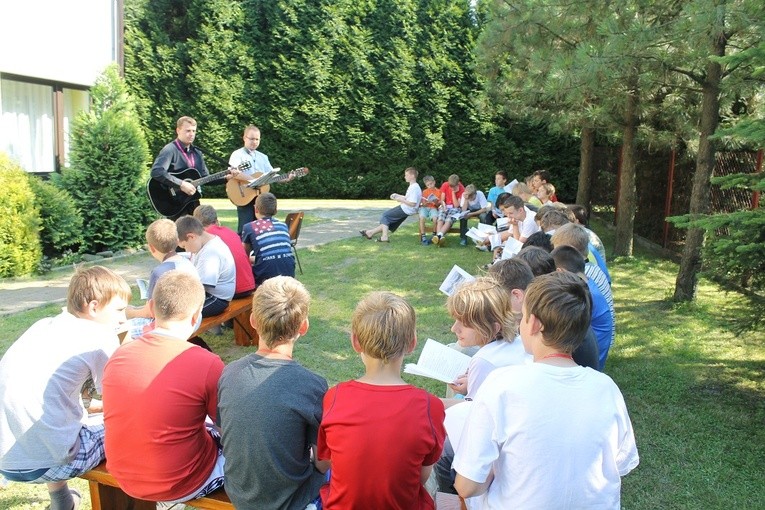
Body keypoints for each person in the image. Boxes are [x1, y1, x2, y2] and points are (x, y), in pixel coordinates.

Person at [452, 272, 639, 508]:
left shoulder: (502, 384)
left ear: (535, 324)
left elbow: (467, 486)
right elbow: (621, 464)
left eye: (523, 316)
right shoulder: (607, 388)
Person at [0, 267, 130, 510]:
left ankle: (62, 501)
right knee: (133, 423)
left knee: (55, 424)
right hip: (53, 462)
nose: (123, 318)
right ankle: (157, 492)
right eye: (119, 310)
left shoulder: (43, 326)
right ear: (94, 307)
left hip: (7, 457)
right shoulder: (100, 337)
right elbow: (121, 402)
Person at [103, 270, 226, 504]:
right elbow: (226, 429)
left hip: (123, 475)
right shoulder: (207, 363)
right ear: (196, 315)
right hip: (183, 480)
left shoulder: (119, 355)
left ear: (151, 307)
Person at [316, 291, 446, 509]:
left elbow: (328, 461)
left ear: (355, 342)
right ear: (412, 343)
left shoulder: (335, 397)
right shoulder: (430, 406)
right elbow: (421, 477)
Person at [218, 276, 327, 509]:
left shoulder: (229, 374)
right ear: (304, 326)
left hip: (239, 493)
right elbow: (323, 462)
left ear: (253, 321)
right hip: (293, 499)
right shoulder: (312, 386)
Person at [435, 273, 529, 495]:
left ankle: (453, 500)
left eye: (464, 323)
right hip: (515, 431)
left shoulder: (483, 360)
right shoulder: (516, 342)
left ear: (493, 326)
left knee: (441, 454)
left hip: (496, 449)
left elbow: (473, 416)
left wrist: (435, 403)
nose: (454, 328)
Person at [126, 218, 199, 334]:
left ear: (151, 247)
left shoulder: (160, 272)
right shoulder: (187, 262)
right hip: (193, 318)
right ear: (177, 240)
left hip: (172, 325)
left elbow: (151, 312)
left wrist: (130, 312)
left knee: (120, 331)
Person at [552, 245, 614, 370]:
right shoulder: (587, 284)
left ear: (560, 272)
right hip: (590, 354)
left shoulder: (584, 294)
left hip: (589, 363)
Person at [150, 116, 211, 220]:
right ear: (178, 130)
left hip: (192, 202)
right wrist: (181, 184)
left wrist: (226, 177)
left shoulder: (197, 153)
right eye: (188, 130)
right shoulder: (170, 150)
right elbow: (157, 171)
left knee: (195, 233)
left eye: (194, 131)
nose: (191, 134)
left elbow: (206, 178)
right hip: (173, 202)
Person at [176, 215, 236, 317]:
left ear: (191, 237)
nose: (186, 250)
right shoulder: (209, 242)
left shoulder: (209, 253)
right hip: (211, 295)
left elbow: (200, 287)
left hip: (216, 299)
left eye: (184, 246)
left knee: (177, 313)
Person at [194, 204, 256, 298]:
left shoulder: (206, 237)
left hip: (233, 290)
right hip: (249, 284)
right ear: (216, 219)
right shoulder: (231, 232)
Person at [228, 125, 278, 234]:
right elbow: (234, 173)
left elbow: (271, 175)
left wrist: (286, 177)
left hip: (260, 197)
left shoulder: (263, 157)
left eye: (257, 139)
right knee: (245, 229)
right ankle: (243, 250)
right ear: (244, 138)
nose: (254, 142)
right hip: (244, 194)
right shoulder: (237, 155)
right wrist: (253, 180)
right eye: (251, 139)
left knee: (261, 229)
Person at [241, 192, 296, 285]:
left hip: (264, 276)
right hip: (289, 272)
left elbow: (244, 256)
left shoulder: (249, 227)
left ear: (256, 209)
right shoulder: (283, 226)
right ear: (276, 210)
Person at [360, 167, 422, 243]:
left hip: (407, 209)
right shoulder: (413, 186)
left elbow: (413, 203)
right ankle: (370, 233)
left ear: (412, 176)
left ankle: (384, 237)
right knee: (387, 221)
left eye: (406, 175)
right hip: (407, 209)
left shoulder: (414, 187)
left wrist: (400, 200)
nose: (405, 177)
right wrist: (397, 195)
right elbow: (408, 198)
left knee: (386, 216)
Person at [431, 174, 465, 246]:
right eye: (450, 187)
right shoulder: (445, 185)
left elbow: (456, 205)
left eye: (453, 187)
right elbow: (442, 200)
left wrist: (453, 193)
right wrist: (443, 205)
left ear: (458, 183)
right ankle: (439, 238)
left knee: (449, 220)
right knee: (440, 218)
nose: (451, 188)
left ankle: (438, 236)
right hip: (445, 206)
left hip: (455, 208)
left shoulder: (462, 189)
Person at [419, 175, 443, 245]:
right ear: (426, 185)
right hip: (425, 207)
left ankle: (434, 234)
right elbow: (423, 204)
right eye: (428, 185)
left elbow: (438, 205)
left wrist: (435, 202)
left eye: (431, 184)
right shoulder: (425, 192)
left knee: (435, 218)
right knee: (422, 218)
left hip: (433, 208)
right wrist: (427, 202)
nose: (430, 186)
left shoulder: (439, 192)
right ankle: (423, 236)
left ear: (434, 182)